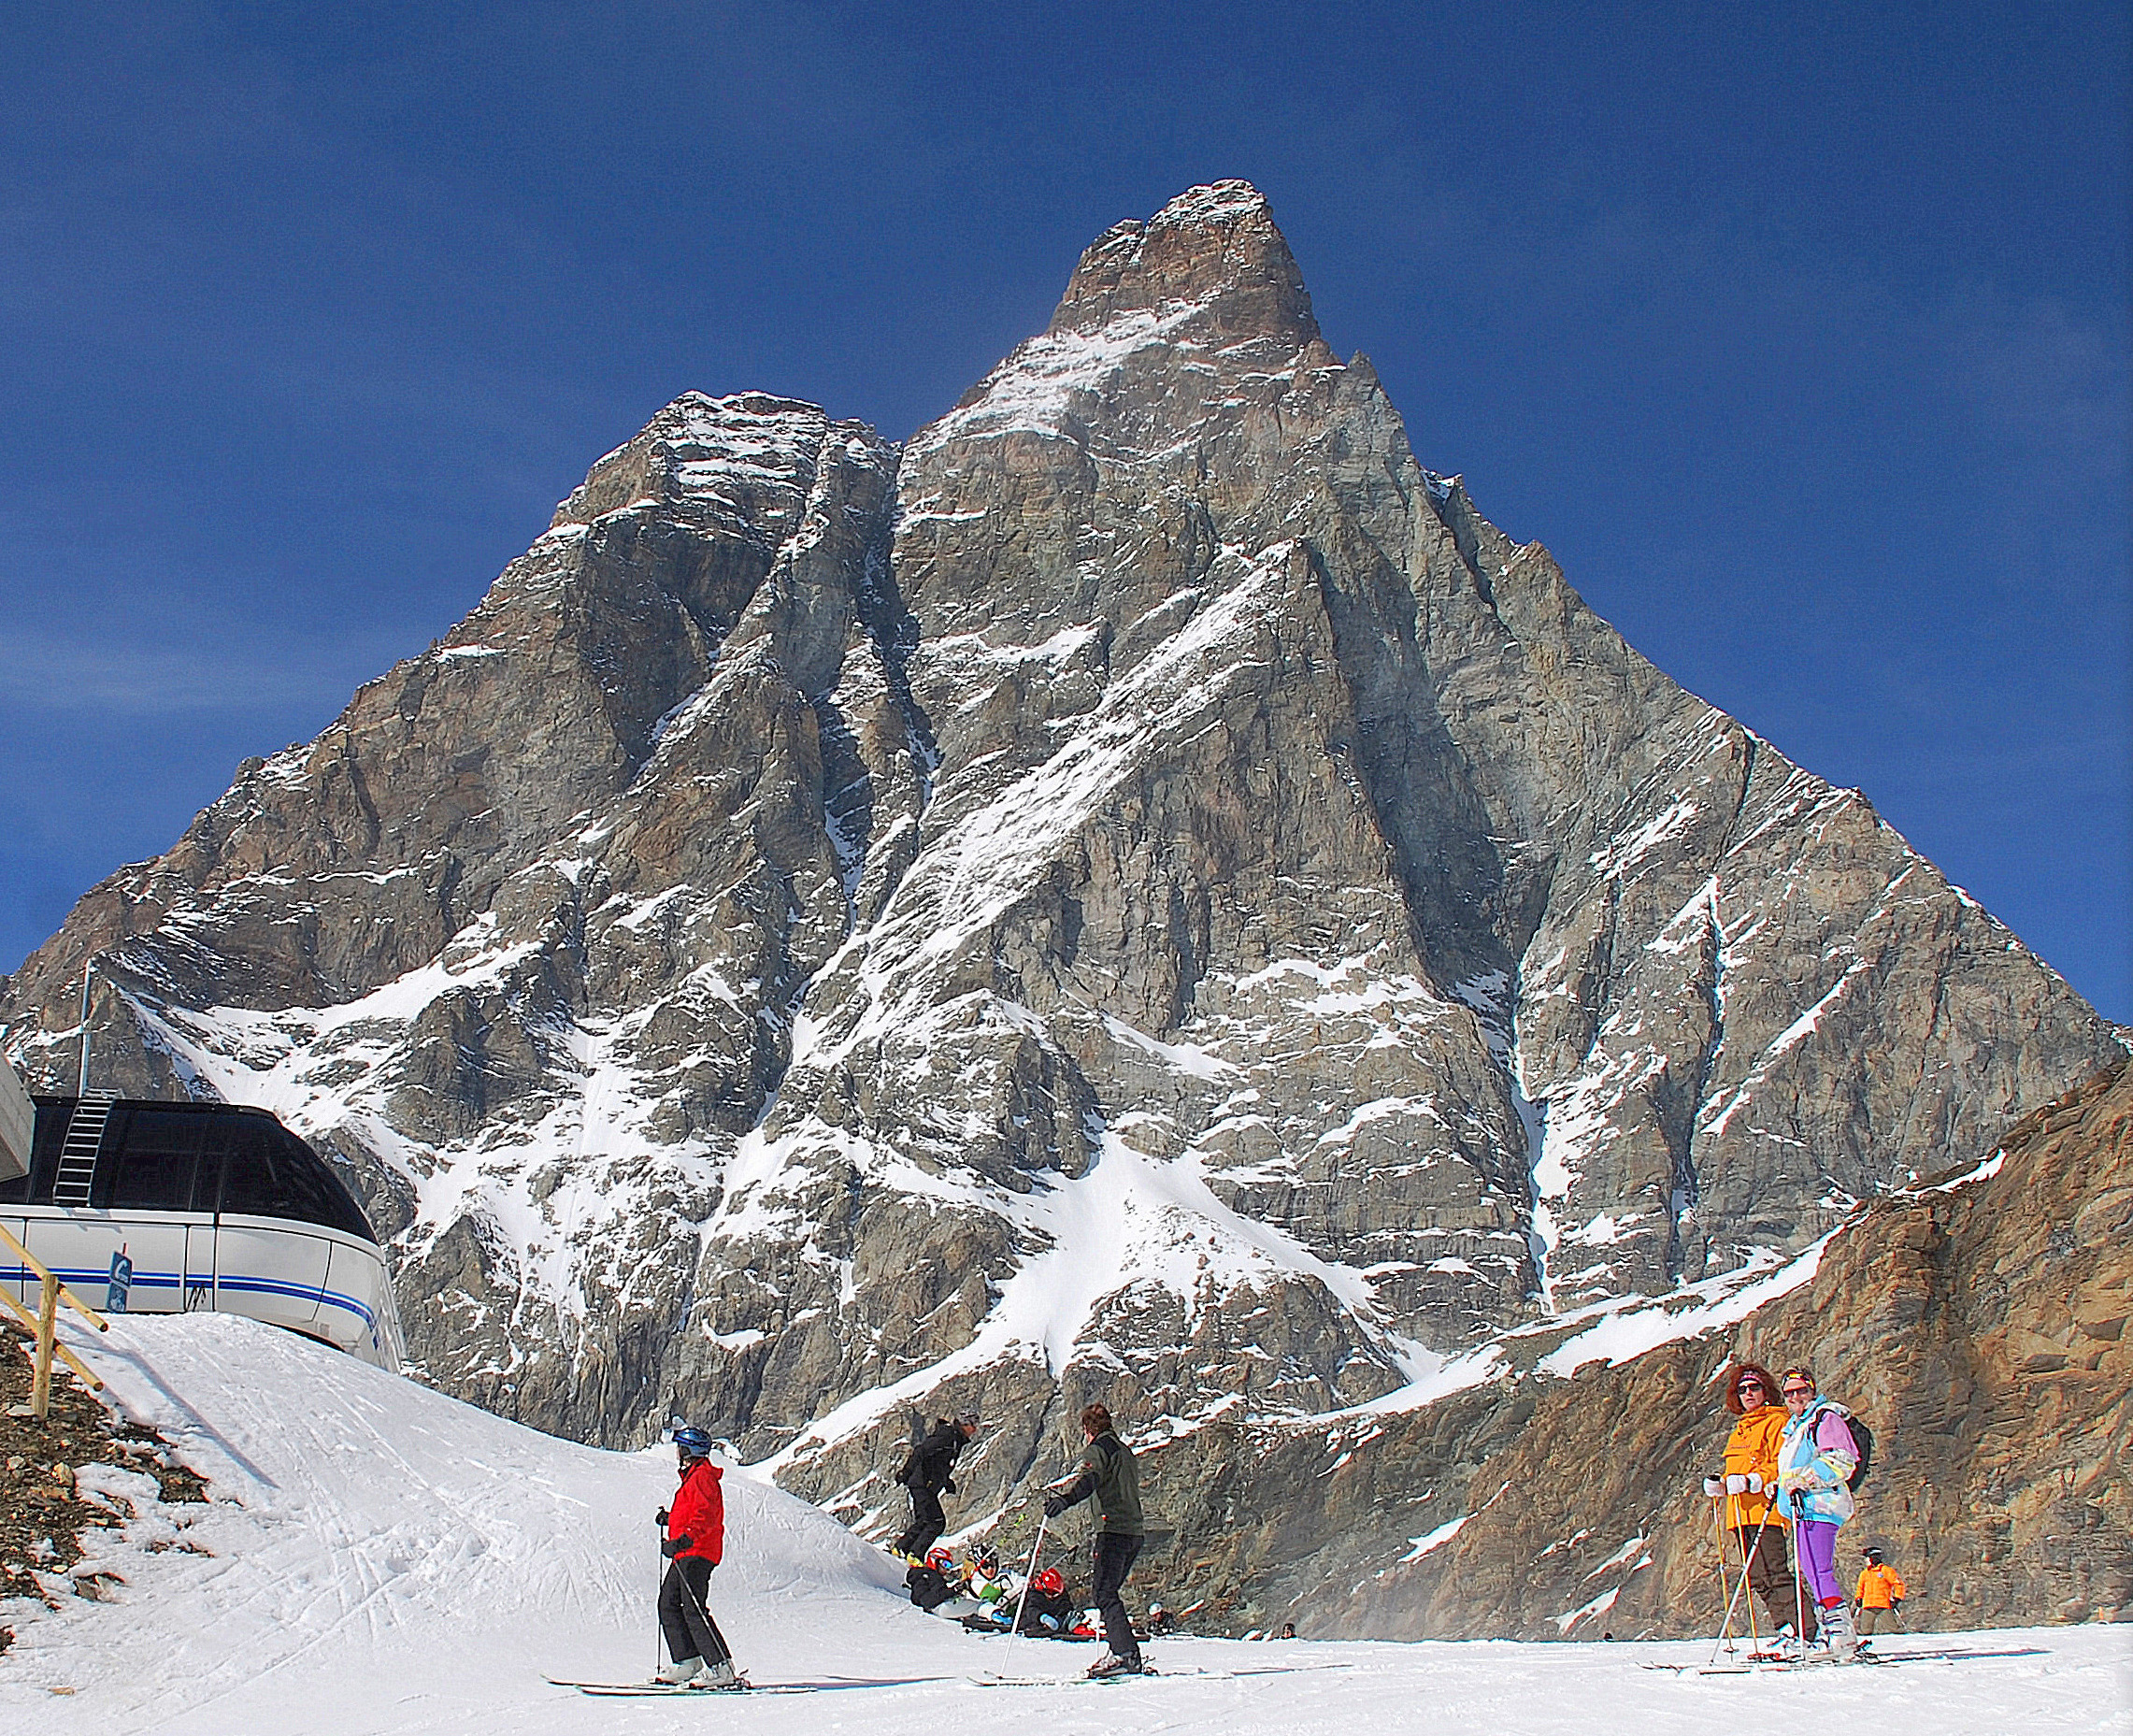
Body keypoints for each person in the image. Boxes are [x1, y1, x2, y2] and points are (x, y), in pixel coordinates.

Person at [1714, 1361, 1816, 1648]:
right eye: (1742, 1389)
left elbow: (1782, 1462)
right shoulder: (1741, 1429)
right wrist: (1722, 1485)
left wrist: (1754, 1481)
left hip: (1766, 1509)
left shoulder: (1777, 1421)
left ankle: (1806, 1632)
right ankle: (1784, 1629)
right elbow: (1736, 1467)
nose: (1748, 1394)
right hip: (1739, 1513)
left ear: (1766, 1390)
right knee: (1757, 1577)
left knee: (1776, 1572)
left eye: (1754, 1388)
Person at [1044, 1402, 1147, 1677]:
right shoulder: (1125, 1451)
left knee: (1103, 1592)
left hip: (1113, 1530)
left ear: (1088, 1429)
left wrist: (1065, 1501)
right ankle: (1121, 1650)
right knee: (1108, 1590)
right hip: (1134, 1530)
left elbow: (1089, 1480)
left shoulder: (1099, 1449)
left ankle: (1125, 1654)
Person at [1776, 1366, 1863, 1660]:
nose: (1796, 1397)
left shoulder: (1825, 1418)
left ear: (1812, 1390)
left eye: (1801, 1391)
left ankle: (1839, 1636)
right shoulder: (1796, 1427)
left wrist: (1806, 1479)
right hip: (1803, 1508)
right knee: (1811, 1571)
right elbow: (1792, 1469)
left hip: (1821, 1505)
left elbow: (1842, 1460)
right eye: (1790, 1393)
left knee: (1819, 1569)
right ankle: (1834, 1634)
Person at [655, 1427, 740, 1688]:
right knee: (668, 1603)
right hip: (685, 1551)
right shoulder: (693, 1477)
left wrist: (684, 1539)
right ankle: (687, 1661)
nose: (677, 1452)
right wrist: (670, 1519)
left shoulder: (702, 1476)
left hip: (698, 1552)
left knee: (693, 1608)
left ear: (690, 1450)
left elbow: (705, 1514)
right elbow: (691, 1512)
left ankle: (721, 1667)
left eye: (681, 1447)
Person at [894, 1413, 979, 1559]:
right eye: (973, 1424)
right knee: (936, 1522)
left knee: (925, 1520)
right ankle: (915, 1555)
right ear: (965, 1424)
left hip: (926, 1484)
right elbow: (922, 1451)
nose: (975, 1429)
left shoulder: (955, 1440)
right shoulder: (948, 1436)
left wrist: (946, 1481)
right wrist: (906, 1472)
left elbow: (939, 1463)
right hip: (922, 1483)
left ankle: (901, 1549)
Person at [1854, 1547, 1908, 1640]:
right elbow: (1860, 1587)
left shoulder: (1886, 1571)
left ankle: (1903, 1644)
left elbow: (1898, 1584)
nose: (1866, 1560)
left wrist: (1897, 1598)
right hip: (1868, 1606)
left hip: (1883, 1605)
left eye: (1867, 1558)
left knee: (1894, 1629)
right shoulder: (1865, 1573)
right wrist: (1859, 1598)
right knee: (1865, 1632)